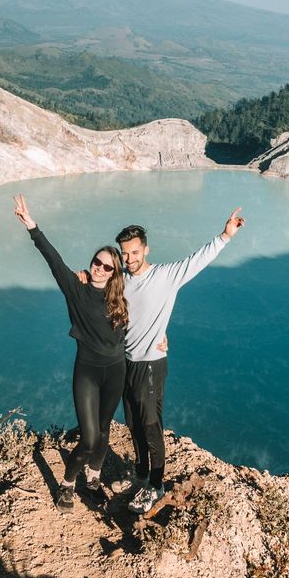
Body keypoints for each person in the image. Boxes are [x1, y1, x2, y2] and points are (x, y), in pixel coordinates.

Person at [116, 208, 245, 513]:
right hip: (126, 363)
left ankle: (157, 487)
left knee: (150, 426)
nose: (129, 258)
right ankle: (142, 474)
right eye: (125, 253)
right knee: (133, 424)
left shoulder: (165, 276)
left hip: (151, 364)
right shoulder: (119, 281)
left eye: (134, 252)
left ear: (146, 249)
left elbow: (196, 261)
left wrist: (225, 235)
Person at [13, 193, 128, 509]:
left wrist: (160, 340)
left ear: (115, 273)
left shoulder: (121, 298)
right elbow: (53, 259)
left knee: (104, 434)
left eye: (107, 266)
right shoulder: (76, 289)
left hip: (117, 370)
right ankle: (67, 484)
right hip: (88, 371)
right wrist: (32, 226)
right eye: (97, 262)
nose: (100, 268)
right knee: (89, 438)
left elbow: (141, 320)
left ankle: (92, 479)